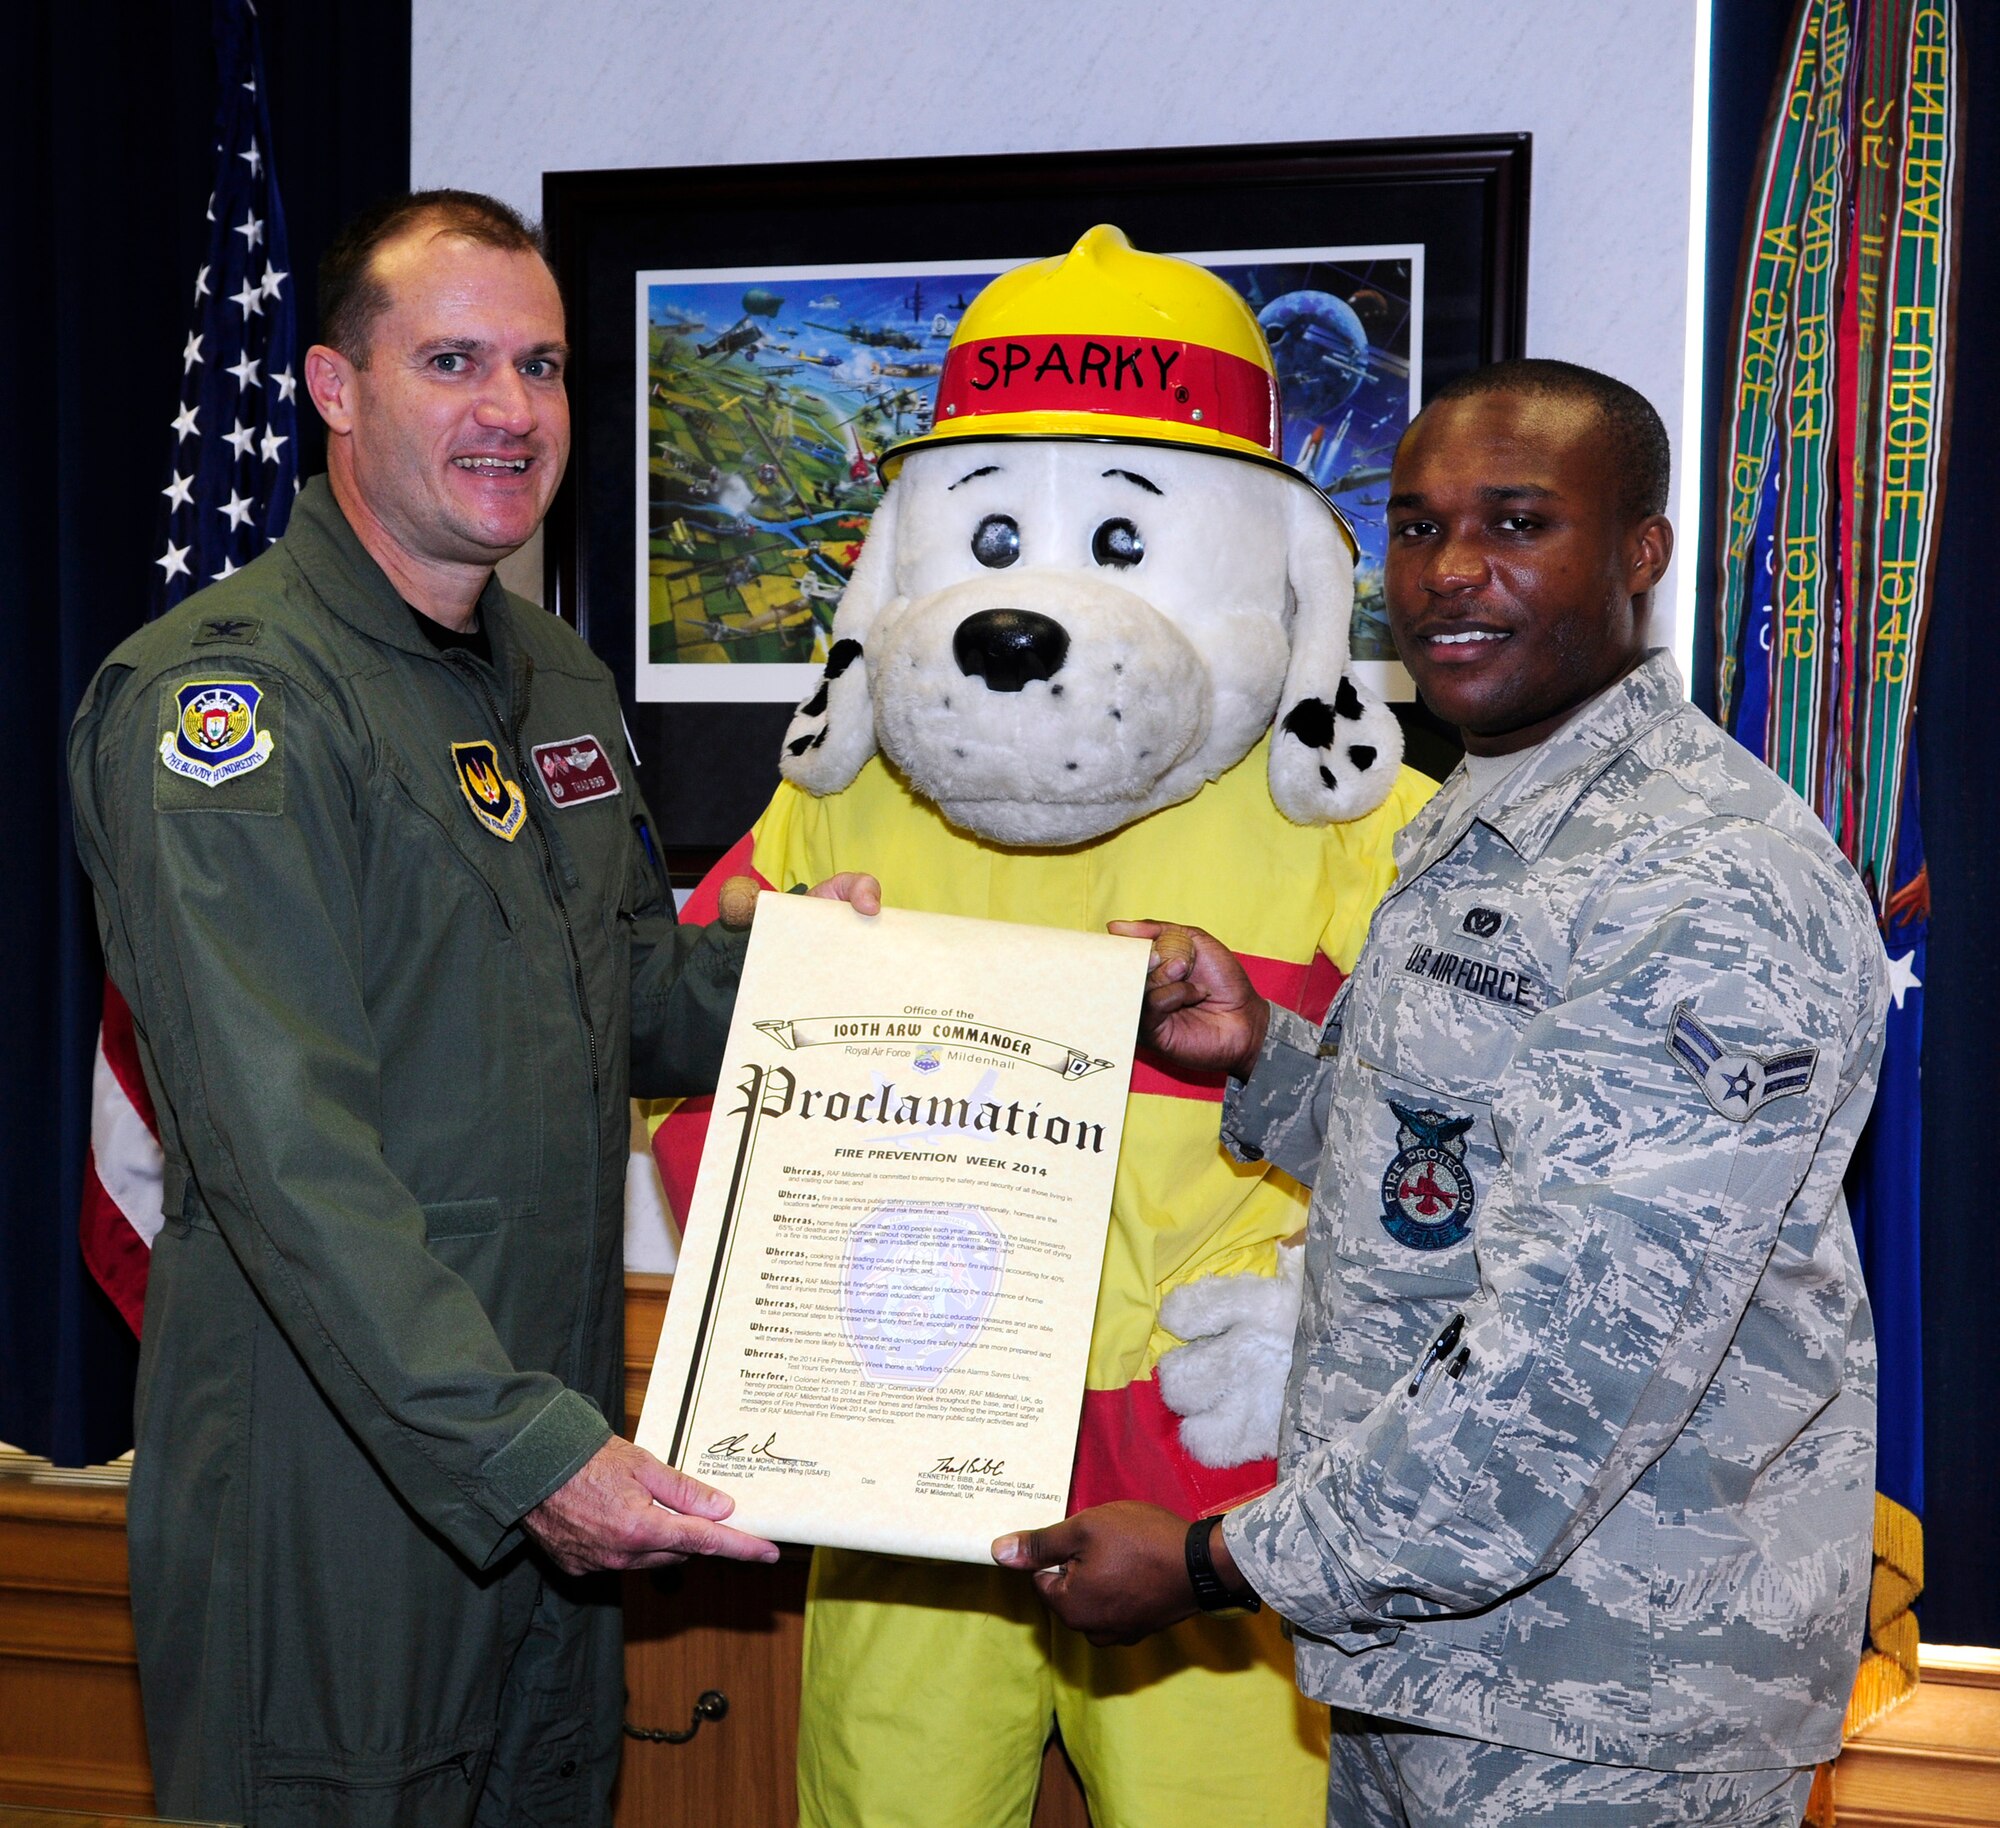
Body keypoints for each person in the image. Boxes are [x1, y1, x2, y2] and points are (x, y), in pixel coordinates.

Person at [69, 189, 877, 1828]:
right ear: (334, 387)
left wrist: (829, 980)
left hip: (549, 1447)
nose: (511, 411)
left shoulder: (554, 680)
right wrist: (524, 1459)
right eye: (452, 360)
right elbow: (283, 1151)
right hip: (339, 1485)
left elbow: (628, 1000)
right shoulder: (225, 705)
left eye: (544, 366)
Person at [996, 359, 1890, 1827]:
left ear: (1640, 554)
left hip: (1609, 1713)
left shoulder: (1703, 876)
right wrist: (1266, 1060)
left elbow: (1573, 1359)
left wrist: (1216, 1565)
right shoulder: (1497, 810)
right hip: (1432, 1664)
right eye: (1416, 529)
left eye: (1518, 523)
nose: (1451, 575)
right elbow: (1465, 1171)